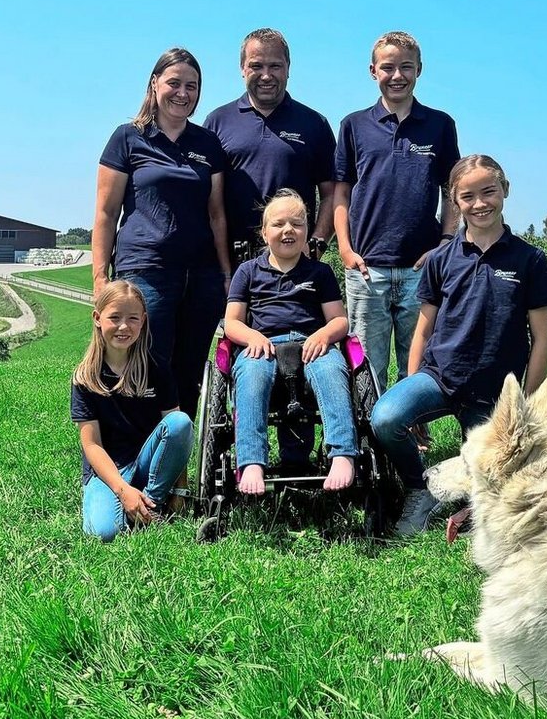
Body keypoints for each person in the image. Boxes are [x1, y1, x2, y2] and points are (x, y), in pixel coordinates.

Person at [371, 154, 547, 536]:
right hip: (439, 378)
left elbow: (541, 339)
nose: (479, 203)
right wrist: (412, 386)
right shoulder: (441, 259)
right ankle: (420, 488)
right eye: (467, 196)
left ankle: (472, 504)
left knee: (497, 474)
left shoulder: (530, 260)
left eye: (488, 192)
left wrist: (527, 402)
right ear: (455, 203)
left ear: (505, 191)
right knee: (385, 418)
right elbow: (423, 331)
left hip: (494, 392)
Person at [203, 27, 338, 467]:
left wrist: (318, 242)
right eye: (256, 65)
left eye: (275, 65)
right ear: (242, 68)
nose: (266, 74)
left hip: (298, 259)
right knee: (249, 356)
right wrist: (223, 265)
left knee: (300, 347)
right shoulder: (218, 122)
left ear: (288, 68)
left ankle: (296, 460)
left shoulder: (313, 124)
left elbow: (331, 193)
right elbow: (212, 202)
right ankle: (247, 453)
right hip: (239, 261)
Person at [92, 48, 231, 417]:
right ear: (154, 84)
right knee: (147, 368)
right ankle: (137, 447)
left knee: (190, 371)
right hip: (145, 273)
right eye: (174, 83)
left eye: (192, 86)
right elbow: (106, 213)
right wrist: (99, 278)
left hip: (200, 277)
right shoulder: (127, 138)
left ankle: (179, 447)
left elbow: (217, 214)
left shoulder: (207, 144)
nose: (182, 93)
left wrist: (225, 273)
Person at [332, 31, 460, 394]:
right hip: (366, 267)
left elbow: (452, 190)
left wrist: (445, 244)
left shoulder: (440, 125)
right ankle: (371, 428)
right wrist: (345, 249)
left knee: (418, 365)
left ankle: (412, 426)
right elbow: (341, 192)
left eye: (406, 66)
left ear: (420, 69)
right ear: (373, 71)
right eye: (388, 67)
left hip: (421, 268)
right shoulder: (354, 125)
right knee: (366, 369)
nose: (397, 75)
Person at [224, 190, 358, 494]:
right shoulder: (247, 272)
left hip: (312, 343)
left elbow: (339, 320)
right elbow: (232, 322)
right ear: (264, 232)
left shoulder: (320, 272)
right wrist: (252, 336)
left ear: (307, 231)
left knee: (331, 371)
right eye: (279, 224)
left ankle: (342, 454)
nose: (288, 230)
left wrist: (324, 335)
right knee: (251, 374)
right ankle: (252, 461)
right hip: (263, 345)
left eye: (297, 224)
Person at [71, 280, 194, 542]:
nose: (124, 326)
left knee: (181, 421)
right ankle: (132, 505)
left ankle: (152, 503)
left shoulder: (157, 368)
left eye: (133, 318)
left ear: (143, 321)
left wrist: (180, 490)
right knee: (103, 533)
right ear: (97, 318)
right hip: (108, 471)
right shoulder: (85, 378)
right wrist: (122, 490)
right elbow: (92, 445)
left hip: (149, 463)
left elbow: (177, 433)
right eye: (115, 317)